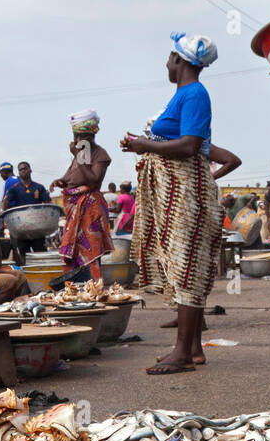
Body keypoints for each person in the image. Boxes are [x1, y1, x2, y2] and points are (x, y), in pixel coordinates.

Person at [122, 31, 224, 374]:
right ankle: (193, 349)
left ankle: (182, 352)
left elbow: (190, 145)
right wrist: (142, 143)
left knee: (186, 264)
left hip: (187, 192)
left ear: (179, 60)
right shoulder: (183, 94)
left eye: (169, 57)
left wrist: (145, 146)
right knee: (182, 262)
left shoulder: (195, 94)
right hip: (175, 193)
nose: (166, 63)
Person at [51, 109, 113, 279]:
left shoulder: (100, 154)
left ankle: (95, 289)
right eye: (75, 136)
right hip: (74, 207)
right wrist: (61, 181)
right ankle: (73, 290)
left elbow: (93, 181)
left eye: (82, 136)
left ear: (92, 135)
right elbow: (71, 175)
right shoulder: (80, 154)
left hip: (90, 207)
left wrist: (79, 155)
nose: (78, 140)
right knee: (71, 251)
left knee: (91, 251)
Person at [2, 162, 51, 255]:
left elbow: (48, 203)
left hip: (38, 229)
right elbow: (6, 203)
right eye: (21, 169)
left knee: (40, 254)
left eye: (25, 168)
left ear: (30, 170)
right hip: (22, 230)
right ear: (18, 172)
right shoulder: (14, 189)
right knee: (23, 255)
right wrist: (8, 219)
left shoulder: (39, 187)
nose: (23, 171)